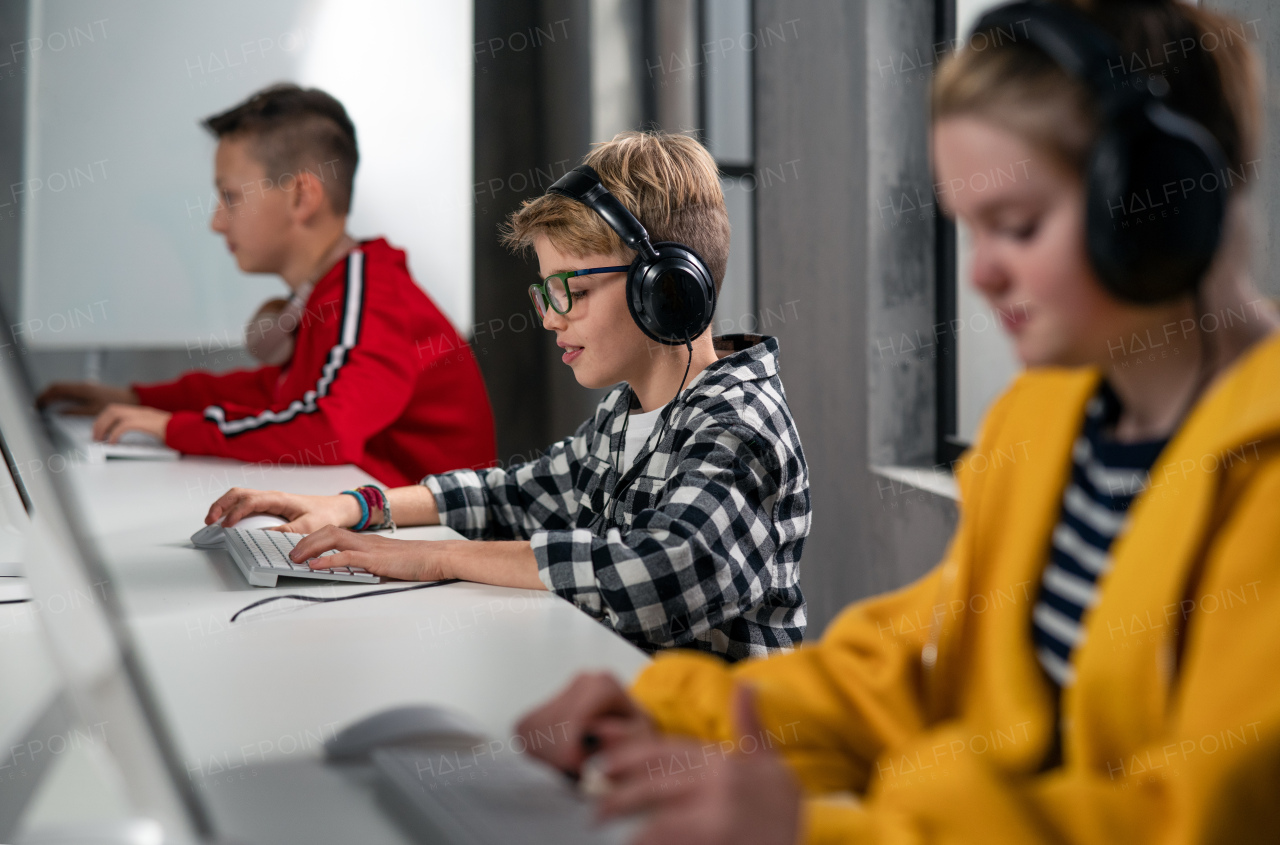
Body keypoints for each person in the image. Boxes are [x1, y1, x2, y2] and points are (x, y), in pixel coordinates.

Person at [513, 1, 1280, 842]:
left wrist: (816, 831)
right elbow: (906, 672)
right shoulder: (1050, 417)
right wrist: (666, 712)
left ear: (1156, 205)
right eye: (969, 228)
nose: (982, 271)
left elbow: (1185, 821)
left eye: (1018, 225)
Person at [205, 130, 811, 661]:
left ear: (665, 289)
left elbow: (662, 575)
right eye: (544, 293)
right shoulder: (626, 414)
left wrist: (434, 559)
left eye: (568, 289)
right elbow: (518, 493)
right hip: (627, 719)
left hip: (721, 756)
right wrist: (355, 507)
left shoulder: (739, 422)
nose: (550, 319)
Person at [36, 84, 496, 487]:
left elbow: (328, 426)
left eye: (230, 196)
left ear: (301, 196)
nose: (217, 222)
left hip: (438, 550)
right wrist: (138, 401)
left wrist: (176, 428)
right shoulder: (336, 290)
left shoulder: (368, 291)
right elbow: (274, 393)